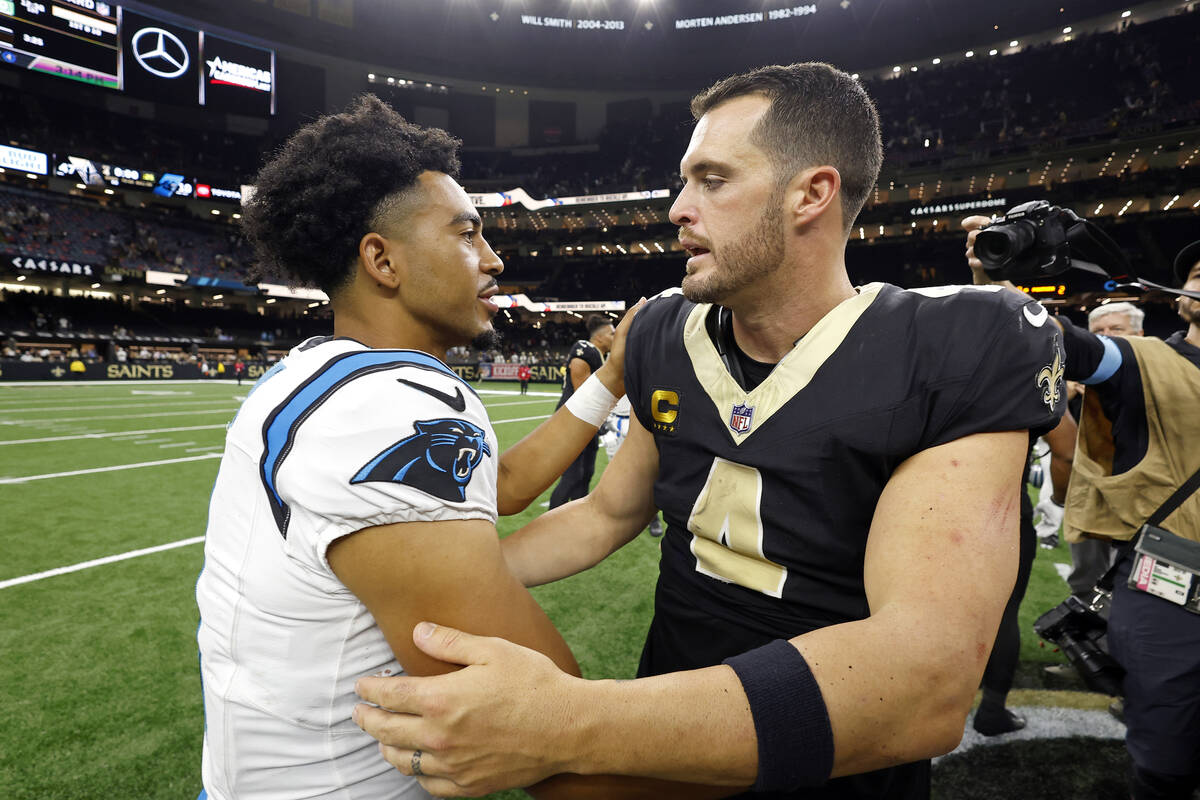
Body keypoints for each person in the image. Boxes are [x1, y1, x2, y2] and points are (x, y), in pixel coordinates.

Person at [352, 62, 1065, 800]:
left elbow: (924, 682)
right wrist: (445, 582)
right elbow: (608, 512)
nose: (678, 208)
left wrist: (567, 722)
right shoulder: (663, 330)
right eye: (684, 181)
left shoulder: (960, 342)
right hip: (663, 741)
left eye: (713, 179)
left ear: (812, 193)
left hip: (832, 765)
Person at [194, 95, 637, 800]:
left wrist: (610, 380)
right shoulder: (389, 407)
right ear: (383, 260)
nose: (493, 259)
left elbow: (508, 484)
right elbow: (545, 732)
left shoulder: (317, 371)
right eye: (466, 235)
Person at [965, 226, 1200, 800]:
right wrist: (996, 282)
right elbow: (1061, 340)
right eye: (1196, 275)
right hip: (1176, 594)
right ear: (1181, 300)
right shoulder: (1143, 360)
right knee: (1165, 763)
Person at [547, 314, 615, 509]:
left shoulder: (602, 356)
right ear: (599, 337)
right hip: (573, 421)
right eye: (612, 334)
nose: (615, 337)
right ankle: (550, 524)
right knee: (572, 477)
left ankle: (574, 521)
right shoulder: (584, 348)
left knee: (585, 475)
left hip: (588, 422)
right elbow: (582, 392)